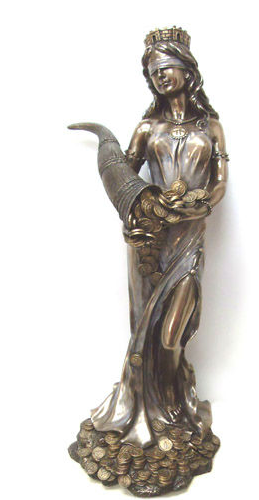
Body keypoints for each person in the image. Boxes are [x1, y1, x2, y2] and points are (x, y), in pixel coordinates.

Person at [89, 28, 229, 449]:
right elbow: (126, 178)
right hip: (150, 244)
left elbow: (220, 183)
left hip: (189, 242)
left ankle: (175, 406)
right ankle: (150, 411)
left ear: (187, 69)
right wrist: (139, 208)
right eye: (153, 72)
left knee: (171, 336)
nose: (160, 76)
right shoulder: (147, 127)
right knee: (145, 332)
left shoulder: (211, 127)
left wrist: (202, 206)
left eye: (166, 67)